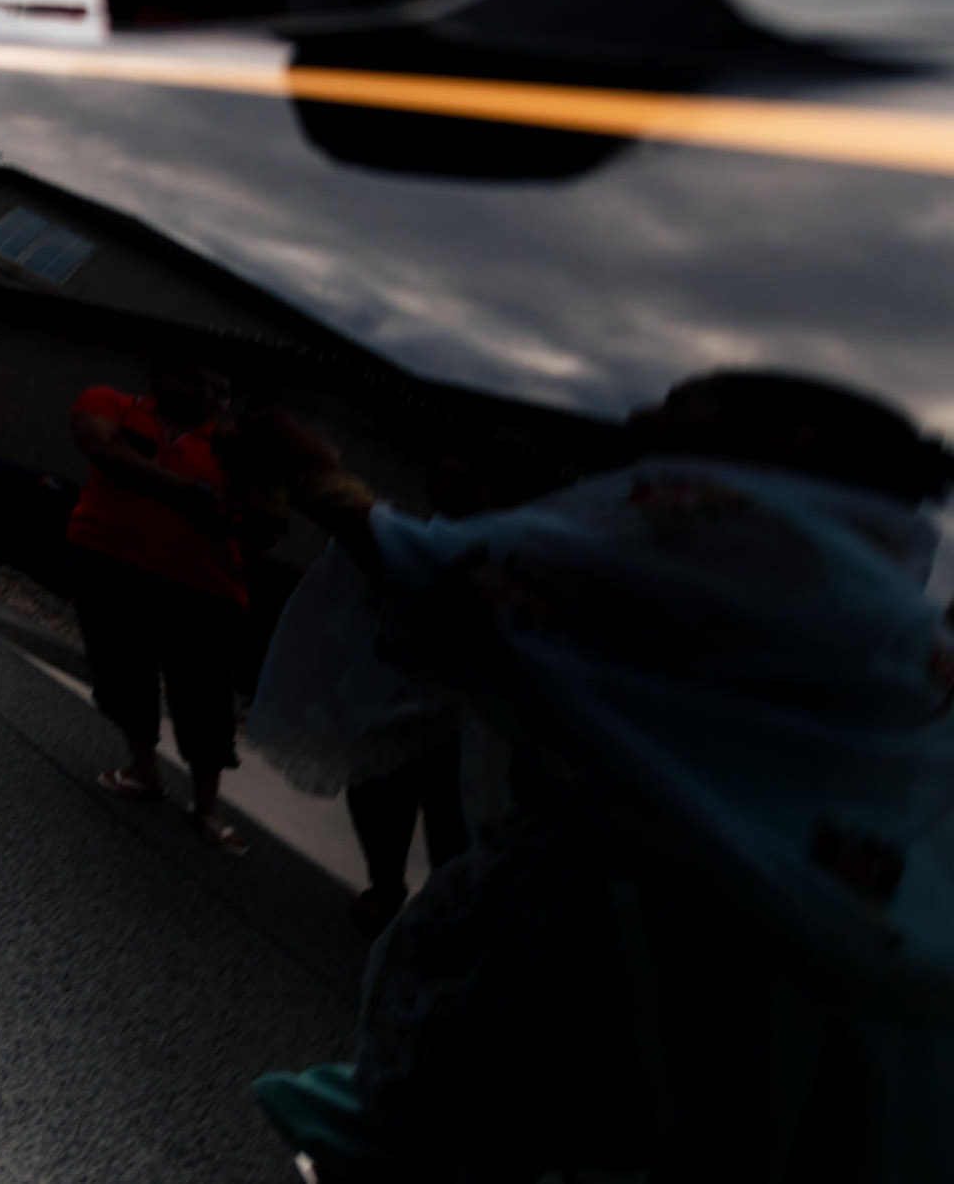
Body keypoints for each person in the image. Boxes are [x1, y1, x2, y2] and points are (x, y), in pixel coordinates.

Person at [251, 372, 954, 1180]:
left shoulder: (716, 522)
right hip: (782, 972)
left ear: (787, 440)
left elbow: (465, 576)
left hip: (614, 939)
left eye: (689, 399)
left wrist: (313, 470)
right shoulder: (889, 612)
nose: (642, 412)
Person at [66, 355, 252, 852]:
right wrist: (194, 494)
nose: (211, 395)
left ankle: (208, 806)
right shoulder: (111, 404)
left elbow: (257, 521)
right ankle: (143, 769)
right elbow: (99, 446)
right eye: (197, 378)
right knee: (121, 670)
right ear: (158, 376)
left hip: (205, 587)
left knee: (206, 695)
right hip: (107, 559)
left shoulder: (236, 449)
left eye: (222, 389)